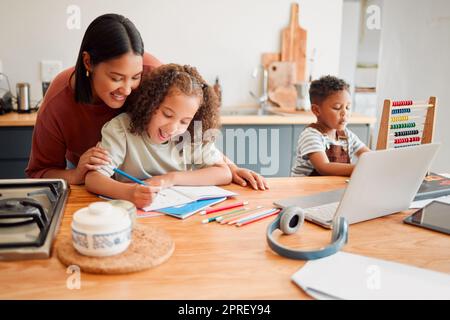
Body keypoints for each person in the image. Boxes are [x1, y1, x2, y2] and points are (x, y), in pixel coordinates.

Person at [25, 13, 268, 190]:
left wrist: (231, 168)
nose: (128, 89)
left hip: (159, 193)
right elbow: (38, 174)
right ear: (88, 63)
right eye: (116, 78)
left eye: (135, 77)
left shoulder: (155, 75)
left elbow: (188, 124)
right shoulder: (59, 101)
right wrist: (77, 175)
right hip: (98, 185)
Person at [85, 64, 232, 208]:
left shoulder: (191, 134)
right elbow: (93, 178)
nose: (173, 128)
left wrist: (170, 179)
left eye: (184, 121)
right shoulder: (120, 129)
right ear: (151, 104)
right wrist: (129, 193)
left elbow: (223, 173)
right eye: (167, 115)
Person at [291, 75, 370, 177]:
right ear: (316, 110)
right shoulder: (311, 135)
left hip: (332, 189)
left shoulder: (347, 136)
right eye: (337, 108)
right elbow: (324, 167)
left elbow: (369, 156)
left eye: (348, 107)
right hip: (307, 190)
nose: (344, 113)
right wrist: (361, 169)